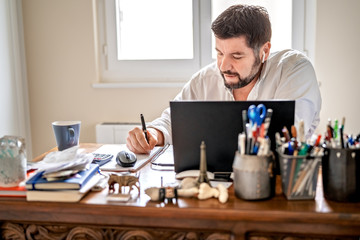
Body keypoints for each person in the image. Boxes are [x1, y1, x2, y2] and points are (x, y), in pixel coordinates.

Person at [126, 4, 321, 154]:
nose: (223, 66)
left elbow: (289, 137)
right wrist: (153, 133)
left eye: (236, 56)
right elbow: (174, 119)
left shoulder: (294, 71)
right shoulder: (207, 78)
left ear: (264, 51)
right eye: (219, 53)